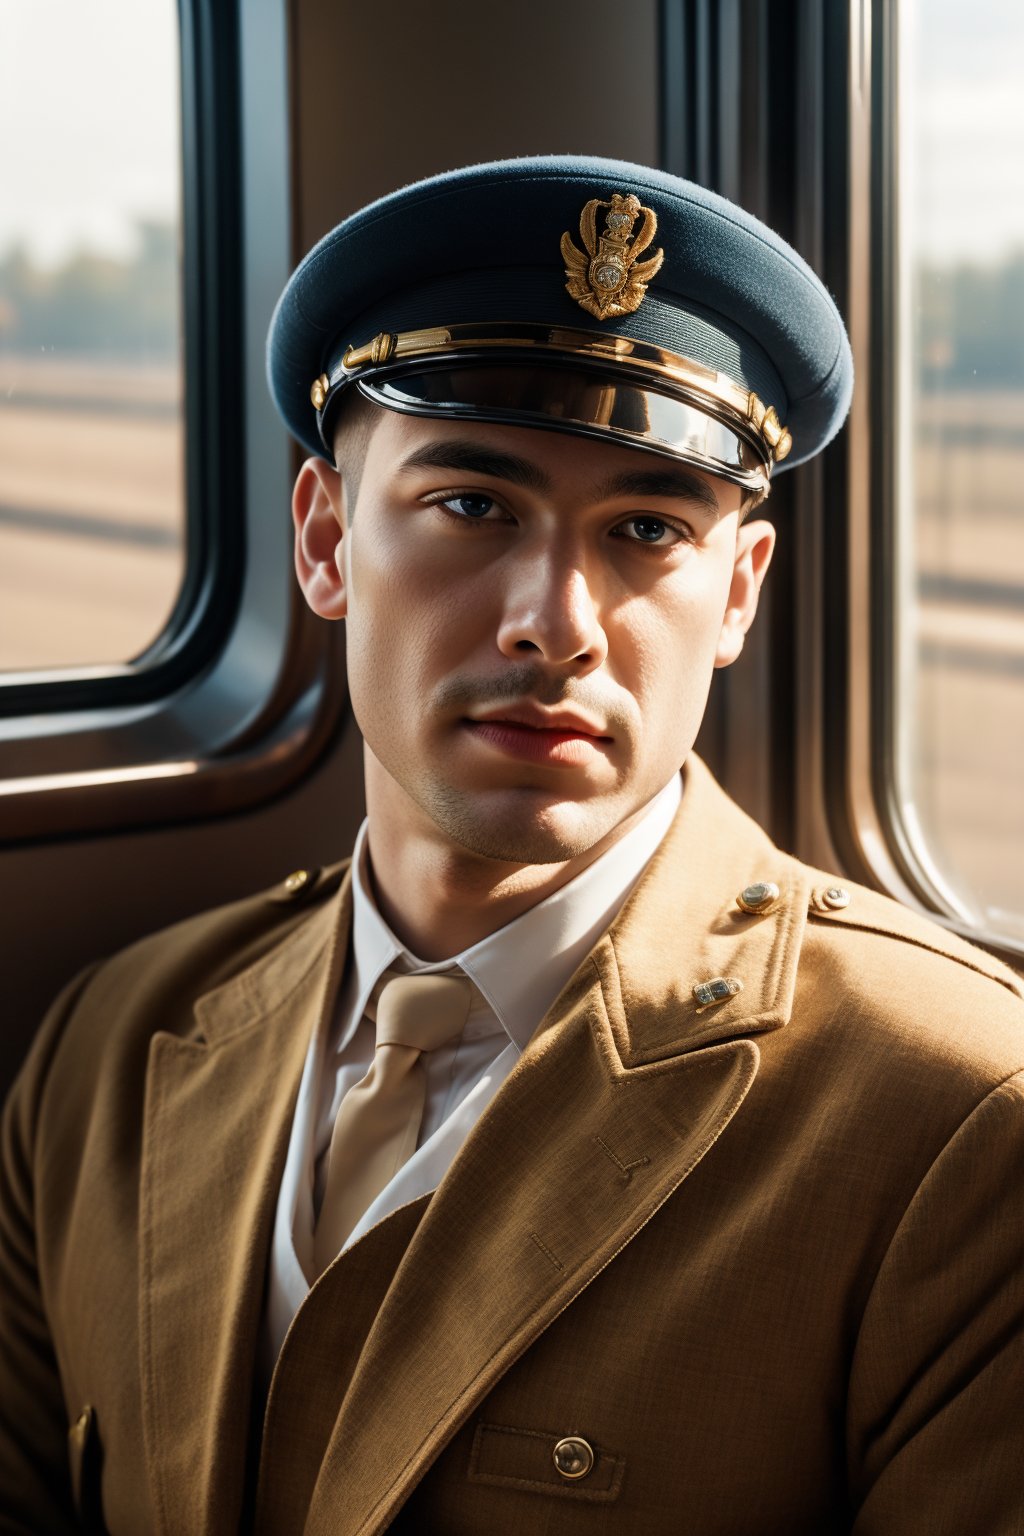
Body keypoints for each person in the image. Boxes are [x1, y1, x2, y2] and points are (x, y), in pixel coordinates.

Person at [1, 155, 1022, 1536]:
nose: (557, 622)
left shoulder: (960, 1123)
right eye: (475, 506)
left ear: (737, 595)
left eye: (647, 529)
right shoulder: (111, 1048)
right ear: (324, 541)